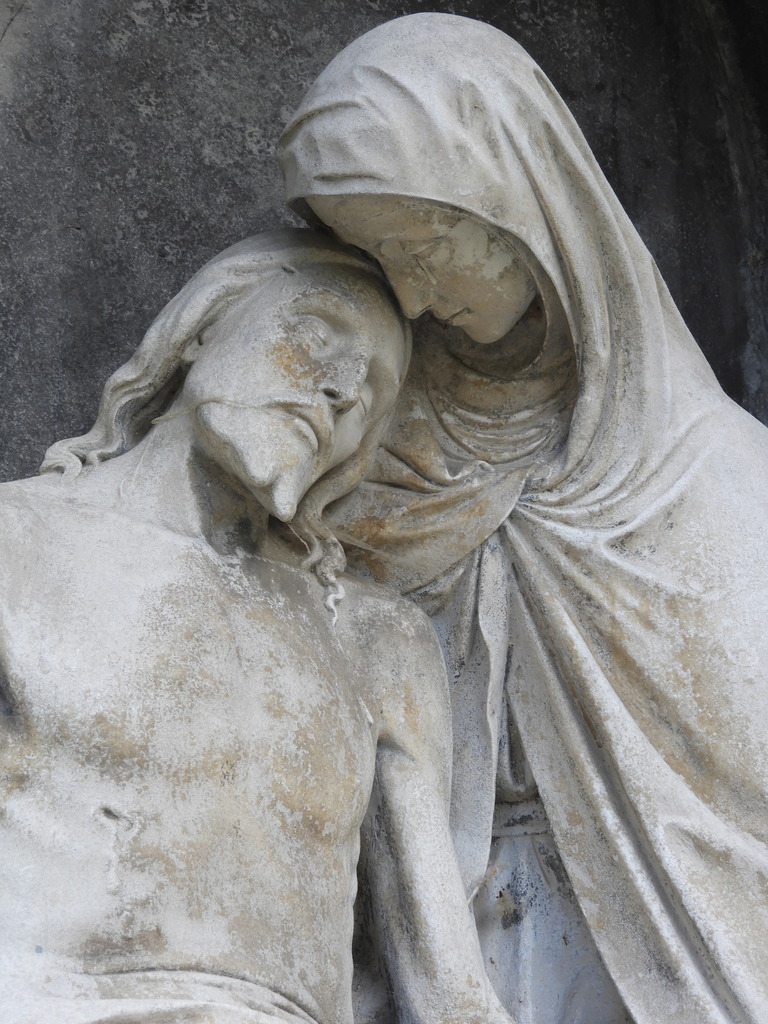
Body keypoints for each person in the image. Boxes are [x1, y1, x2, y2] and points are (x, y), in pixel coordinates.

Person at [278, 14, 768, 1024]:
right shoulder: (352, 444)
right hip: (414, 948)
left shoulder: (716, 482)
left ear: (525, 211)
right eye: (374, 256)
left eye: (424, 246)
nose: (409, 295)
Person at [0, 229, 514, 1024]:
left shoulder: (374, 639)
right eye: (316, 333)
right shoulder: (18, 544)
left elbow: (447, 988)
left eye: (374, 393)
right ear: (202, 327)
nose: (342, 389)